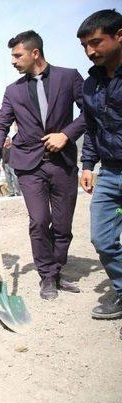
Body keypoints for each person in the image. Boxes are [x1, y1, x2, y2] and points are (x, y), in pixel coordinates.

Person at [0, 30, 85, 300]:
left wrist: (66, 134)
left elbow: (91, 112)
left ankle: (57, 269)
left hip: (63, 163)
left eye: (17, 55)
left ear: (34, 53)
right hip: (29, 165)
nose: (13, 61)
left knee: (63, 225)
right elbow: (3, 123)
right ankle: (47, 277)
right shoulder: (12, 90)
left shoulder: (69, 77)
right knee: (39, 221)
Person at [77, 9, 122, 319]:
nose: (91, 52)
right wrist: (88, 164)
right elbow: (92, 129)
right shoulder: (90, 85)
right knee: (102, 238)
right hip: (109, 171)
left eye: (96, 43)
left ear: (119, 36)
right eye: (85, 47)